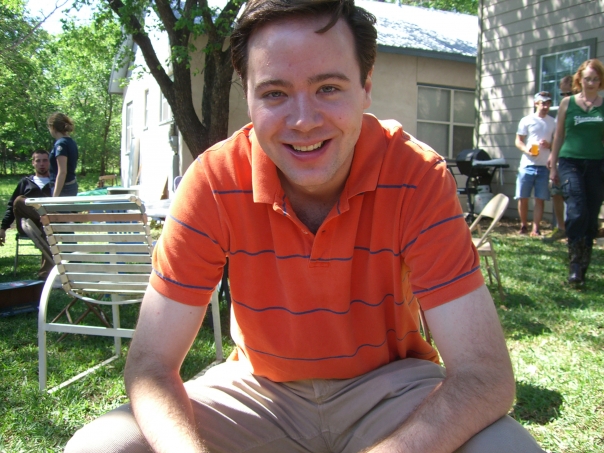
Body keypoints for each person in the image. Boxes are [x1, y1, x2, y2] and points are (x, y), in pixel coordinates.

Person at [65, 1, 544, 452]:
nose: (303, 120)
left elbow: (484, 375)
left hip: (392, 387)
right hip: (258, 390)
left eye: (328, 88)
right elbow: (150, 365)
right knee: (100, 446)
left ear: (366, 86)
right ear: (248, 96)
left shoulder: (417, 175)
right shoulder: (213, 180)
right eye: (275, 93)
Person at [549, 59, 604, 285]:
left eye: (595, 79)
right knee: (577, 210)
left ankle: (582, 267)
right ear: (579, 79)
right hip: (570, 161)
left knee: (590, 216)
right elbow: (559, 135)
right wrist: (553, 164)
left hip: (597, 164)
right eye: (587, 78)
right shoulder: (567, 103)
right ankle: (574, 263)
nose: (591, 83)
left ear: (600, 81)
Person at [0, 150, 54, 278]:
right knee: (19, 200)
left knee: (47, 228)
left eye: (45, 160)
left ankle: (45, 273)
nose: (42, 164)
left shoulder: (55, 182)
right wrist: (3, 228)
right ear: (33, 163)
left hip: (47, 225)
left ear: (50, 162)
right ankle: (43, 218)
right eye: (38, 161)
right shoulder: (26, 182)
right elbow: (12, 206)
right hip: (26, 223)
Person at [514, 92, 556, 236]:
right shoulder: (527, 120)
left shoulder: (553, 122)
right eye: (543, 103)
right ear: (536, 104)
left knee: (540, 198)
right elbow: (518, 140)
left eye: (548, 104)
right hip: (527, 164)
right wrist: (527, 150)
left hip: (544, 166)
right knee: (523, 197)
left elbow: (557, 143)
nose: (545, 106)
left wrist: (549, 144)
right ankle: (523, 225)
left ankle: (535, 228)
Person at [543, 77, 573, 243]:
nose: (566, 97)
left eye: (569, 93)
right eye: (563, 94)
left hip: (575, 159)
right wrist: (552, 156)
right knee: (556, 191)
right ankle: (561, 228)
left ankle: (575, 230)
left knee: (574, 195)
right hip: (561, 158)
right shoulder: (563, 108)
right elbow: (557, 136)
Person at [47, 112, 79, 197]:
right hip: (71, 185)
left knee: (60, 207)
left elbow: (62, 172)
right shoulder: (71, 142)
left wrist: (55, 197)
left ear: (53, 127)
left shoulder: (61, 144)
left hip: (63, 188)